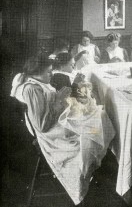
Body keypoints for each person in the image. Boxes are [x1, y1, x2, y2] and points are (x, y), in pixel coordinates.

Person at [10, 53, 115, 205]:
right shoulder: (32, 89)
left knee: (98, 115)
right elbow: (42, 125)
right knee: (96, 124)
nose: (51, 74)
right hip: (52, 135)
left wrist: (68, 93)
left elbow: (49, 107)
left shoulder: (38, 83)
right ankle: (91, 166)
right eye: (48, 72)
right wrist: (60, 99)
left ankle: (95, 163)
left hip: (55, 123)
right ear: (36, 72)